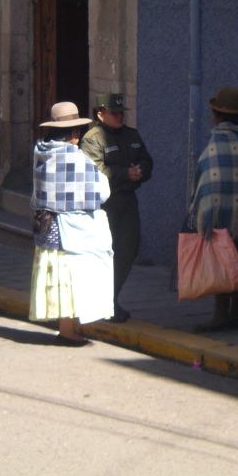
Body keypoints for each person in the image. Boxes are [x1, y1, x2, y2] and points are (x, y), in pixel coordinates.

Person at [29, 101, 115, 346]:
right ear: (74, 133)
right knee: (70, 278)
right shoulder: (75, 159)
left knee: (58, 278)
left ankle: (67, 327)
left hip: (47, 226)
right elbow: (101, 191)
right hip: (71, 230)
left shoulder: (41, 153)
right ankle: (67, 331)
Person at [188, 87, 238, 332]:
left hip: (220, 217)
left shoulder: (217, 142)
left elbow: (207, 179)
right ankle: (236, 314)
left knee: (221, 263)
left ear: (217, 115)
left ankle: (220, 315)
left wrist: (201, 213)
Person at [80, 93, 153, 323]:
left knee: (128, 249)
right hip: (104, 204)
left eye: (122, 113)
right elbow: (94, 171)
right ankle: (102, 301)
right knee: (103, 253)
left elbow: (146, 159)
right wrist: (124, 173)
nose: (120, 117)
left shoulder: (131, 134)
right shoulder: (93, 139)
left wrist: (141, 170)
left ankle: (111, 297)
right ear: (101, 114)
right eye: (115, 113)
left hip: (127, 201)